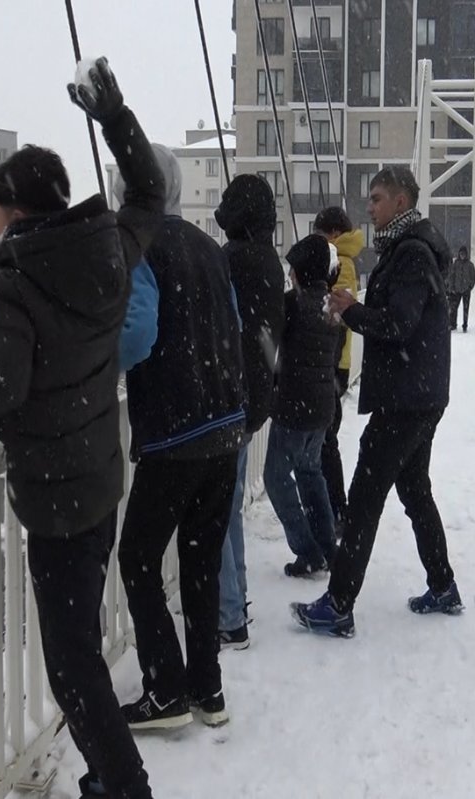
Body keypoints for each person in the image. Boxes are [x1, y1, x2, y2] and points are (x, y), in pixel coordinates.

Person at [0, 58, 162, 799]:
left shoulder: (10, 279)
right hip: (98, 478)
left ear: (17, 210)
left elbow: (1, 381)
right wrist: (114, 116)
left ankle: (125, 785)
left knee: (70, 664)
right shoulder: (106, 251)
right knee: (81, 644)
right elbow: (150, 190)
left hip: (57, 496)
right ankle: (112, 777)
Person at [291, 165, 461, 638]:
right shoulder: (414, 249)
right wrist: (359, 309)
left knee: (364, 499)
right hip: (421, 392)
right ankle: (443, 585)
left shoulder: (410, 254)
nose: (370, 207)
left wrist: (351, 311)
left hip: (406, 397)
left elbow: (399, 324)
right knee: (413, 489)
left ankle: (339, 604)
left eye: (378, 197)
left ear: (401, 203)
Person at [118, 143, 246, 731]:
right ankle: (207, 690)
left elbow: (138, 335)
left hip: (175, 433)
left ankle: (165, 690)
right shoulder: (208, 248)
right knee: (199, 560)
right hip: (225, 428)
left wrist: (98, 365)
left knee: (139, 557)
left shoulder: (142, 248)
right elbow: (236, 327)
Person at [213, 174, 286, 651]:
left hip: (227, 398)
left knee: (215, 513)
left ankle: (230, 614)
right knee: (229, 505)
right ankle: (235, 601)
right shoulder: (269, 262)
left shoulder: (231, 260)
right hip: (256, 398)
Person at [265, 235, 342, 576]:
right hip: (323, 406)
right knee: (311, 473)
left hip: (294, 407)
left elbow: (267, 348)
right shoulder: (332, 307)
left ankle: (307, 550)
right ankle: (327, 546)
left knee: (276, 477)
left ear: (298, 272)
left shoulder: (291, 304)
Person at [312, 207, 363, 531]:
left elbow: (333, 309)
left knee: (325, 441)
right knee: (325, 440)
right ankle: (336, 512)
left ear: (331, 233)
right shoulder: (345, 259)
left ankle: (337, 513)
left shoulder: (338, 262)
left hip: (332, 363)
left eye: (318, 234)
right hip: (337, 363)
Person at [446, 246, 475, 332]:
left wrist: (470, 287)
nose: (462, 255)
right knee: (454, 308)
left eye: (463, 254)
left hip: (466, 290)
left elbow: (473, 277)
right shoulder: (456, 264)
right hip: (457, 290)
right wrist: (451, 287)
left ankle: (465, 325)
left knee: (465, 308)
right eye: (461, 254)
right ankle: (453, 324)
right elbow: (452, 276)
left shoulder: (470, 265)